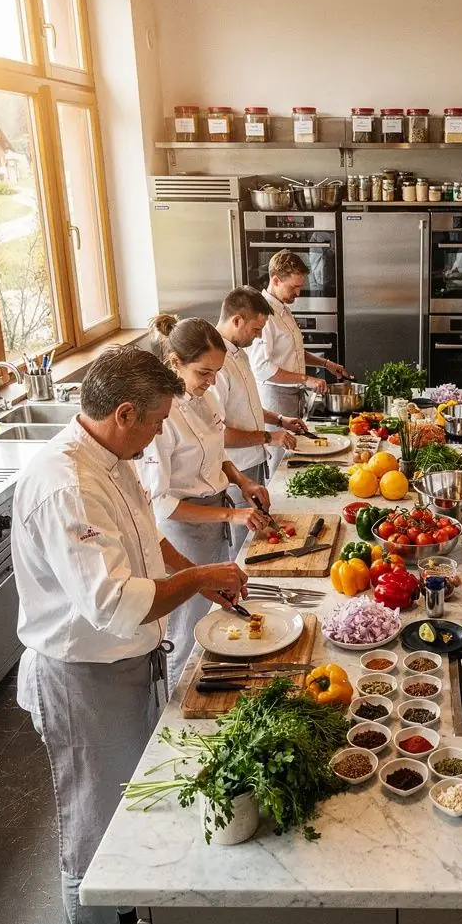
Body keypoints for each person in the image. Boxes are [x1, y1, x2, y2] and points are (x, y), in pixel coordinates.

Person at [12, 346, 248, 924]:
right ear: (124, 413)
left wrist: (195, 577)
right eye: (155, 424)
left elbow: (146, 546)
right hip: (84, 677)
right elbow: (116, 604)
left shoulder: (111, 461)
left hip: (129, 664)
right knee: (88, 823)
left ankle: (114, 907)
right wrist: (205, 567)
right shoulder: (66, 486)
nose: (159, 436)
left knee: (131, 797)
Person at [139, 314, 270, 687]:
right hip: (183, 533)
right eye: (203, 373)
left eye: (216, 372)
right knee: (187, 628)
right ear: (175, 363)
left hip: (215, 519)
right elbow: (160, 502)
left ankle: (214, 688)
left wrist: (242, 481)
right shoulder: (161, 419)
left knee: (218, 616)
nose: (212, 381)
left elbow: (217, 451)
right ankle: (180, 707)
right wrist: (230, 514)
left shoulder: (207, 396)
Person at [213, 287, 308, 549]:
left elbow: (249, 407)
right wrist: (269, 436)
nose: (257, 338)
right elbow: (219, 433)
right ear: (236, 320)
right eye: (255, 330)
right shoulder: (216, 366)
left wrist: (279, 419)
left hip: (253, 464)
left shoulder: (239, 353)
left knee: (260, 537)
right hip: (235, 470)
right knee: (245, 547)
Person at [248, 248, 349, 415]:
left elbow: (293, 353)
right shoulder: (263, 315)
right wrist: (306, 379)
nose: (298, 292)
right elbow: (261, 368)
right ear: (276, 280)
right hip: (275, 399)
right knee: (280, 442)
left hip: (294, 395)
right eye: (294, 287)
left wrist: (326, 364)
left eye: (301, 286)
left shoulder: (283, 309)